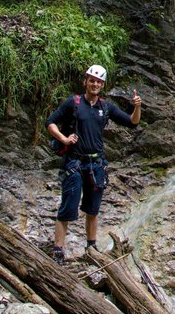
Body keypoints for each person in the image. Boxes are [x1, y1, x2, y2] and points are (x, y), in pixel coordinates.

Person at [46, 64, 142, 265]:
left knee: (93, 209)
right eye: (92, 80)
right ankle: (58, 250)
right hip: (74, 162)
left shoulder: (105, 107)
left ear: (103, 85)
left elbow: (132, 123)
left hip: (96, 164)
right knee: (68, 207)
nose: (95, 84)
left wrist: (137, 107)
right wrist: (63, 139)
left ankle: (91, 248)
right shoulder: (73, 103)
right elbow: (50, 122)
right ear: (86, 82)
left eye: (99, 82)